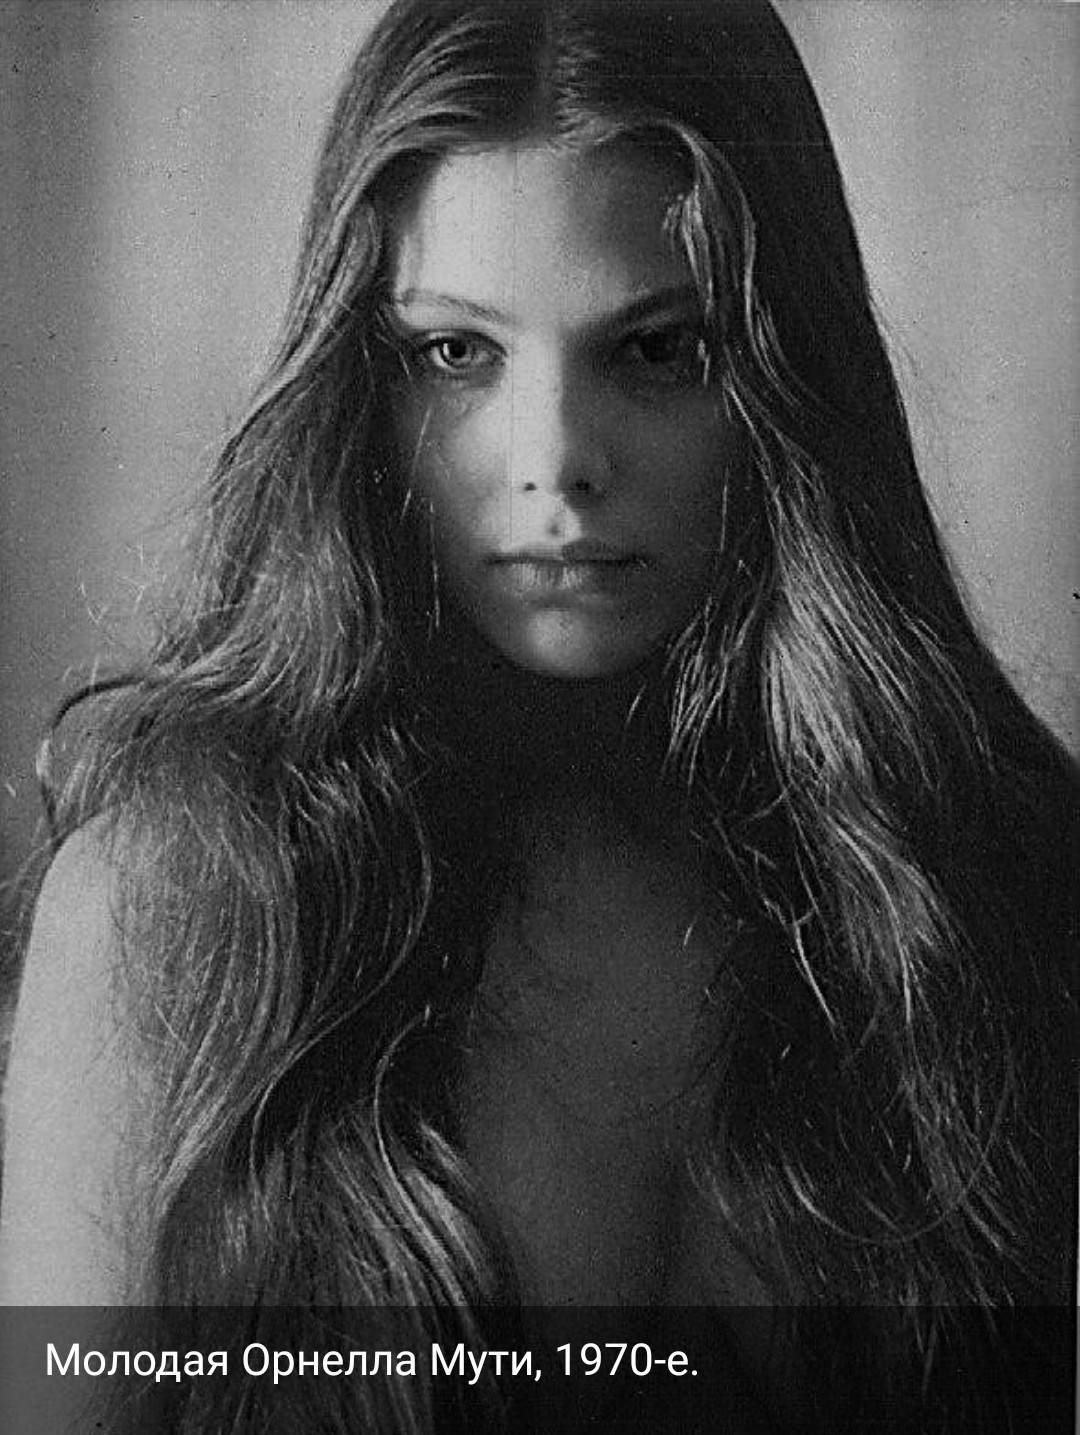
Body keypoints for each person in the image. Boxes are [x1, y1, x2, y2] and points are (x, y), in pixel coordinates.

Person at [1, 1, 1075, 1431]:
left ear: (787, 375)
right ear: (359, 386)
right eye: (456, 354)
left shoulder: (1006, 886)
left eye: (658, 349)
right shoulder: (177, 902)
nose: (556, 460)